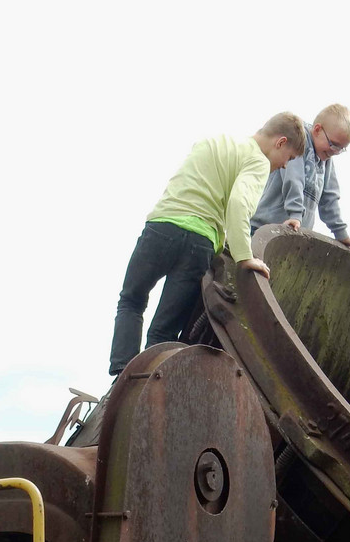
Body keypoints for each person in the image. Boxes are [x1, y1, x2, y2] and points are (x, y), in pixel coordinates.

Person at [108, 113, 306, 376]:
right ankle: (145, 387)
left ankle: (122, 374)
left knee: (131, 301)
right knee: (163, 332)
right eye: (289, 158)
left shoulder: (213, 142)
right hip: (197, 243)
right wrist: (244, 256)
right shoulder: (257, 161)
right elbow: (238, 205)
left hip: (160, 229)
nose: (284, 166)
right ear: (280, 142)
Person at [249, 103, 350, 251]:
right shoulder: (299, 141)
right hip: (264, 229)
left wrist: (341, 233)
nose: (335, 152)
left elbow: (329, 198)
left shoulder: (326, 159)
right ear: (318, 130)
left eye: (340, 149)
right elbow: (294, 179)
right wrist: (295, 214)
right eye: (334, 145)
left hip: (293, 235)